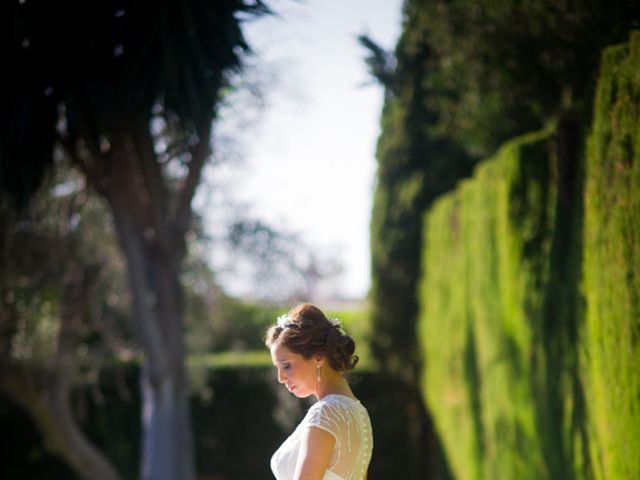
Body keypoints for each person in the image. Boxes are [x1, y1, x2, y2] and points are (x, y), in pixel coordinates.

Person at [265, 303, 373, 480]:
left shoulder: (325, 413)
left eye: (286, 365)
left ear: (318, 357)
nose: (281, 378)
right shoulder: (360, 414)